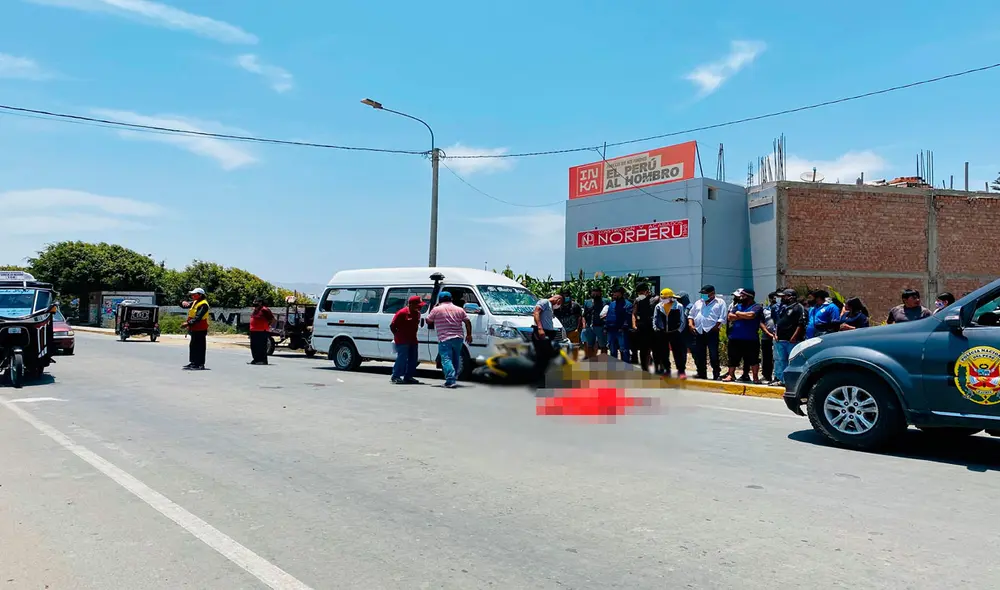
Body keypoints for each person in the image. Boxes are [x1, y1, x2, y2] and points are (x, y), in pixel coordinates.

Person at [426, 291, 472, 388]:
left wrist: (434, 308)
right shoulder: (459, 309)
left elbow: (428, 320)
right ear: (451, 299)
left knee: (446, 359)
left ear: (440, 299)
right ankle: (454, 377)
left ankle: (450, 380)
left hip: (445, 338)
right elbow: (467, 322)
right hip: (458, 338)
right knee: (455, 358)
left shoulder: (437, 309)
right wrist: (469, 335)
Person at [724, 289, 763, 383]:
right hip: (735, 337)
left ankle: (755, 377)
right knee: (732, 358)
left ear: (749, 297)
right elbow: (730, 317)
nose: (740, 297)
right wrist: (742, 316)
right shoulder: (738, 306)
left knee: (753, 359)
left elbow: (751, 315)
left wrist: (737, 314)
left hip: (751, 338)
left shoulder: (757, 306)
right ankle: (731, 375)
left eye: (743, 296)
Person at [688, 285, 726, 380]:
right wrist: (691, 325)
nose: (703, 296)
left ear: (712, 293)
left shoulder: (720, 302)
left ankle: (716, 373)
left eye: (705, 294)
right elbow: (691, 315)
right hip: (699, 331)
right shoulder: (698, 302)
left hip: (712, 332)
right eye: (702, 294)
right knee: (700, 353)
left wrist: (716, 327)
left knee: (713, 354)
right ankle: (702, 373)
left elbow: (722, 317)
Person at [772, 289, 806, 386]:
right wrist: (775, 334)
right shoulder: (783, 308)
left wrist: (794, 336)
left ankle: (790, 381)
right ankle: (780, 379)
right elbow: (778, 322)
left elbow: (801, 323)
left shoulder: (799, 307)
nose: (782, 298)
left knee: (791, 361)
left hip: (792, 341)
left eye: (784, 296)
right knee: (779, 360)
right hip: (780, 339)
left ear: (791, 297)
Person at [653, 288, 687, 378]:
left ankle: (681, 371)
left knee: (678, 352)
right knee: (663, 353)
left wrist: (679, 330)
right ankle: (667, 370)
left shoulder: (678, 306)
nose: (663, 299)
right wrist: (656, 328)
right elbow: (655, 318)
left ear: (671, 297)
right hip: (662, 332)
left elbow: (682, 320)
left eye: (665, 297)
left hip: (674, 332)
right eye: (662, 297)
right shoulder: (659, 306)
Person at [390, 295, 425, 384]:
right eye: (418, 305)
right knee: (402, 358)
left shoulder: (417, 313)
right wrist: (397, 335)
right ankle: (396, 376)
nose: (420, 307)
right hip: (402, 340)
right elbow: (393, 326)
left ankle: (408, 376)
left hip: (413, 339)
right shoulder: (402, 313)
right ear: (411, 304)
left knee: (413, 359)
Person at [532, 293, 564, 366]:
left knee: (547, 355)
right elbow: (536, 312)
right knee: (542, 353)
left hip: (548, 332)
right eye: (560, 303)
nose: (558, 305)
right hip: (543, 331)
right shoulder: (544, 302)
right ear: (558, 300)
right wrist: (540, 328)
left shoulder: (550, 306)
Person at [184, 288, 210, 370]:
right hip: (194, 327)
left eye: (194, 294)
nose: (192, 296)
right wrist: (182, 302)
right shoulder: (195, 302)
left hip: (200, 327)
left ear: (200, 295)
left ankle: (200, 364)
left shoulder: (203, 304)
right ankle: (193, 362)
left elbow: (198, 317)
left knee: (200, 346)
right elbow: (185, 305)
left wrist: (188, 323)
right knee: (193, 345)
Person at [604, 286, 632, 362]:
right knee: (612, 350)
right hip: (611, 331)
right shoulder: (611, 304)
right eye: (614, 294)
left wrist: (623, 328)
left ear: (621, 294)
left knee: (624, 350)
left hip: (621, 331)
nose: (614, 295)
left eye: (616, 294)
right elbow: (608, 315)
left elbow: (628, 318)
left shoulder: (627, 304)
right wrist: (606, 327)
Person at [631, 283, 655, 372]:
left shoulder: (655, 299)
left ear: (647, 291)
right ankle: (645, 369)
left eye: (642, 292)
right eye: (639, 293)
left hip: (653, 327)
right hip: (642, 327)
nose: (640, 294)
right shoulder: (637, 300)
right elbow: (634, 313)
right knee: (643, 349)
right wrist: (634, 325)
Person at [554, 289, 583, 361]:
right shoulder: (557, 307)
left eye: (567, 295)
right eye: (564, 296)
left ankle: (574, 362)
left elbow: (580, 318)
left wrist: (578, 330)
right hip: (562, 333)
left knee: (574, 349)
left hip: (573, 331)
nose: (566, 297)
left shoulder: (576, 306)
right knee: (562, 350)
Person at [581, 287, 608, 359]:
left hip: (601, 326)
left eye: (597, 293)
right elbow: (584, 315)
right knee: (589, 345)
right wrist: (584, 326)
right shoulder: (587, 302)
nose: (595, 294)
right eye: (593, 293)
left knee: (603, 346)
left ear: (600, 293)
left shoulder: (606, 301)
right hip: (589, 327)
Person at [248, 298, 274, 365]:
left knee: (261, 346)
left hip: (262, 331)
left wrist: (266, 325)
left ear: (260, 303)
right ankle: (256, 359)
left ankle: (263, 360)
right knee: (254, 346)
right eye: (254, 301)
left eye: (256, 301)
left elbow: (272, 319)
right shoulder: (255, 310)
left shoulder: (265, 310)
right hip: (253, 331)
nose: (254, 302)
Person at [759, 291, 778, 383]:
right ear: (770, 299)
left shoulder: (781, 308)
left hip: (778, 337)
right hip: (766, 336)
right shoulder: (765, 310)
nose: (775, 300)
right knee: (766, 357)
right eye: (773, 298)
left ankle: (777, 376)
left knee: (777, 358)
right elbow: (761, 322)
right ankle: (766, 375)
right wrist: (768, 333)